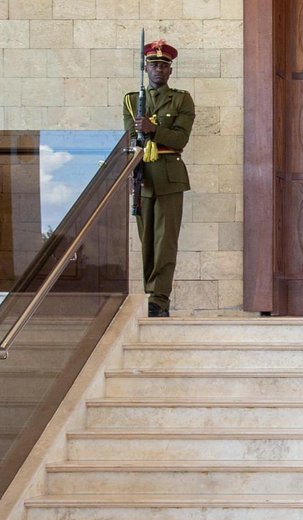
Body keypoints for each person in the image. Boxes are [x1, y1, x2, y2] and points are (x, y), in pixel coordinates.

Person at [122, 39, 195, 318]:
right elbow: (130, 139)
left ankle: (159, 300)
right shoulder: (131, 100)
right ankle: (148, 295)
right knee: (147, 242)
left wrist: (154, 128)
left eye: (164, 66)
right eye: (153, 65)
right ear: (146, 68)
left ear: (170, 71)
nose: (158, 70)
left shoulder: (181, 99)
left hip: (169, 176)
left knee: (165, 243)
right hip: (143, 177)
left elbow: (180, 138)